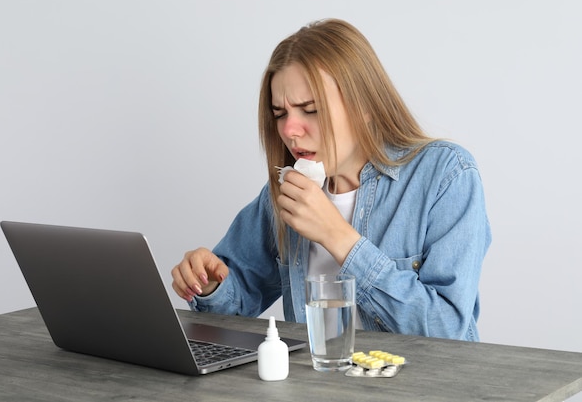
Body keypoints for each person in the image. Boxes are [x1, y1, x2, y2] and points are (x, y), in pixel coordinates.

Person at [171, 18, 491, 341]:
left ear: (364, 104)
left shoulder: (447, 175)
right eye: (280, 113)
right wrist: (209, 283)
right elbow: (232, 309)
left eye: (310, 109)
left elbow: (447, 330)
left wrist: (338, 237)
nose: (289, 130)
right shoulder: (284, 195)